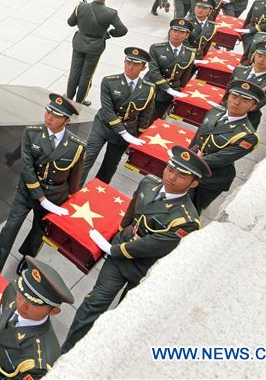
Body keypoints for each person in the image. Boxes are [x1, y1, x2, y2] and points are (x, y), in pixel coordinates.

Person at [62, 146, 208, 353]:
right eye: (170, 169)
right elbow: (131, 211)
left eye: (181, 175)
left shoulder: (187, 220)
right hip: (120, 258)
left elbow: (153, 245)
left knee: (124, 316)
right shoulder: (148, 183)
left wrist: (113, 249)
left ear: (194, 183)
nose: (172, 177)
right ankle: (66, 352)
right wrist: (122, 231)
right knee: (93, 304)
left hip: (144, 270)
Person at [0, 93, 84, 275]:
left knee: (38, 232)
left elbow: (74, 178)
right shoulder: (32, 133)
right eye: (48, 111)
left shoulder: (76, 146)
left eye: (56, 115)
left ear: (67, 121)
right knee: (10, 227)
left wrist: (70, 200)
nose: (49, 117)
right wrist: (41, 198)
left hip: (55, 195)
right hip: (28, 192)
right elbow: (27, 168)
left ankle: (27, 258)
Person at [81, 47, 155, 185]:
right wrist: (123, 132)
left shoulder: (148, 88)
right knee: (87, 158)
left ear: (143, 68)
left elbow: (145, 115)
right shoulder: (109, 81)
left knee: (109, 166)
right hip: (103, 126)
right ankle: (73, 192)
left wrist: (138, 136)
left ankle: (95, 194)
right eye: (128, 62)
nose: (130, 67)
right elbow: (108, 110)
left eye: (135, 64)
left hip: (127, 130)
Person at [188, 80, 261, 213]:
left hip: (212, 178)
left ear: (253, 107)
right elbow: (198, 138)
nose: (236, 102)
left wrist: (189, 161)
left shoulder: (248, 136)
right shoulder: (215, 112)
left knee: (191, 208)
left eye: (244, 100)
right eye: (234, 96)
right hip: (192, 165)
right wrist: (187, 154)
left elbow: (220, 159)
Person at [66, 0, 128, 106]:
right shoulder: (111, 13)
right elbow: (122, 30)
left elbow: (70, 22)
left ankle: (69, 98)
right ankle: (79, 102)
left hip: (79, 43)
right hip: (95, 47)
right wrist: (109, 34)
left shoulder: (81, 6)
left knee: (74, 72)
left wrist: (82, 20)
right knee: (86, 75)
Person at [221, 41, 266, 130]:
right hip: (225, 109)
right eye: (259, 55)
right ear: (254, 55)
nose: (261, 60)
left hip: (245, 118)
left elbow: (255, 105)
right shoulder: (239, 69)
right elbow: (228, 91)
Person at [146, 18, 196, 120]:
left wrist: (179, 92)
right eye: (174, 30)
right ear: (170, 32)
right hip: (153, 86)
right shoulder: (156, 48)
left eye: (181, 32)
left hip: (170, 92)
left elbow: (185, 77)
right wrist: (167, 88)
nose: (177, 34)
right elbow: (153, 71)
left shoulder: (190, 53)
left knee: (157, 118)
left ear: (186, 35)